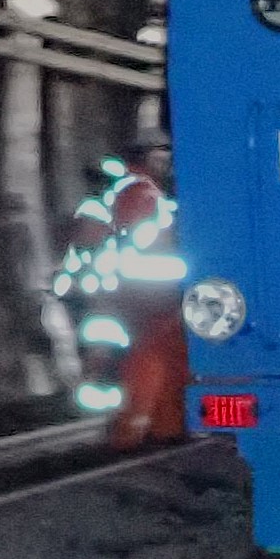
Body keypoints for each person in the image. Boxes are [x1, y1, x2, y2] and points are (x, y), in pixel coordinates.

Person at [55, 128, 189, 448]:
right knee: (151, 357)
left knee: (164, 358)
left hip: (145, 292)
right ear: (148, 157)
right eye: (162, 154)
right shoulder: (141, 192)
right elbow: (142, 240)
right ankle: (135, 431)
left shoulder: (139, 191)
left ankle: (163, 427)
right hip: (149, 292)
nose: (168, 161)